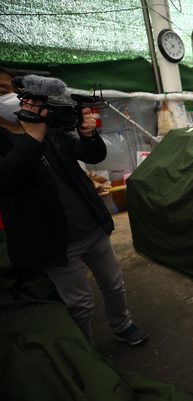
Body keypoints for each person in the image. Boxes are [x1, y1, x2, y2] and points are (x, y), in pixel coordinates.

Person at [0, 68, 148, 346]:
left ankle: (122, 324)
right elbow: (8, 179)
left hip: (90, 226)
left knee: (114, 284)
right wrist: (33, 136)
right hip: (54, 240)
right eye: (1, 92)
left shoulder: (52, 127)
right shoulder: (26, 135)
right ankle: (86, 355)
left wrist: (88, 134)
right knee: (79, 303)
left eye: (11, 90)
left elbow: (92, 155)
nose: (9, 96)